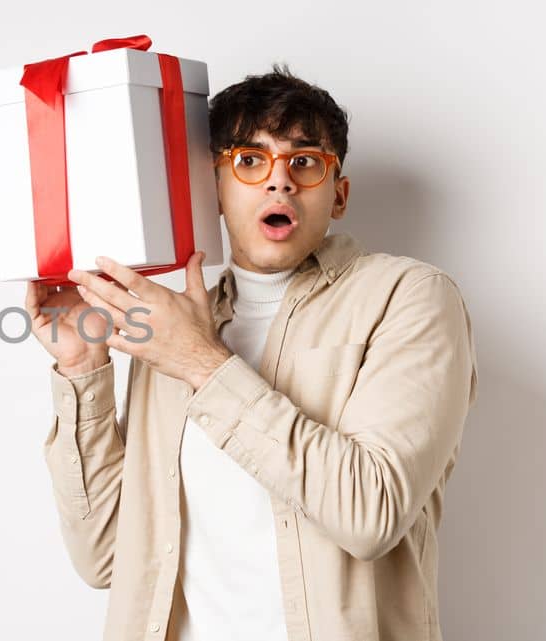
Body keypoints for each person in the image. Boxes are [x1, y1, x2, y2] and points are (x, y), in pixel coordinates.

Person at [25, 64, 479, 641]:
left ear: (338, 194)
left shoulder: (408, 296)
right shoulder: (175, 327)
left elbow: (372, 512)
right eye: (249, 160)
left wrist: (200, 361)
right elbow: (106, 557)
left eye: (305, 162)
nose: (279, 182)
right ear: (211, 186)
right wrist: (83, 368)